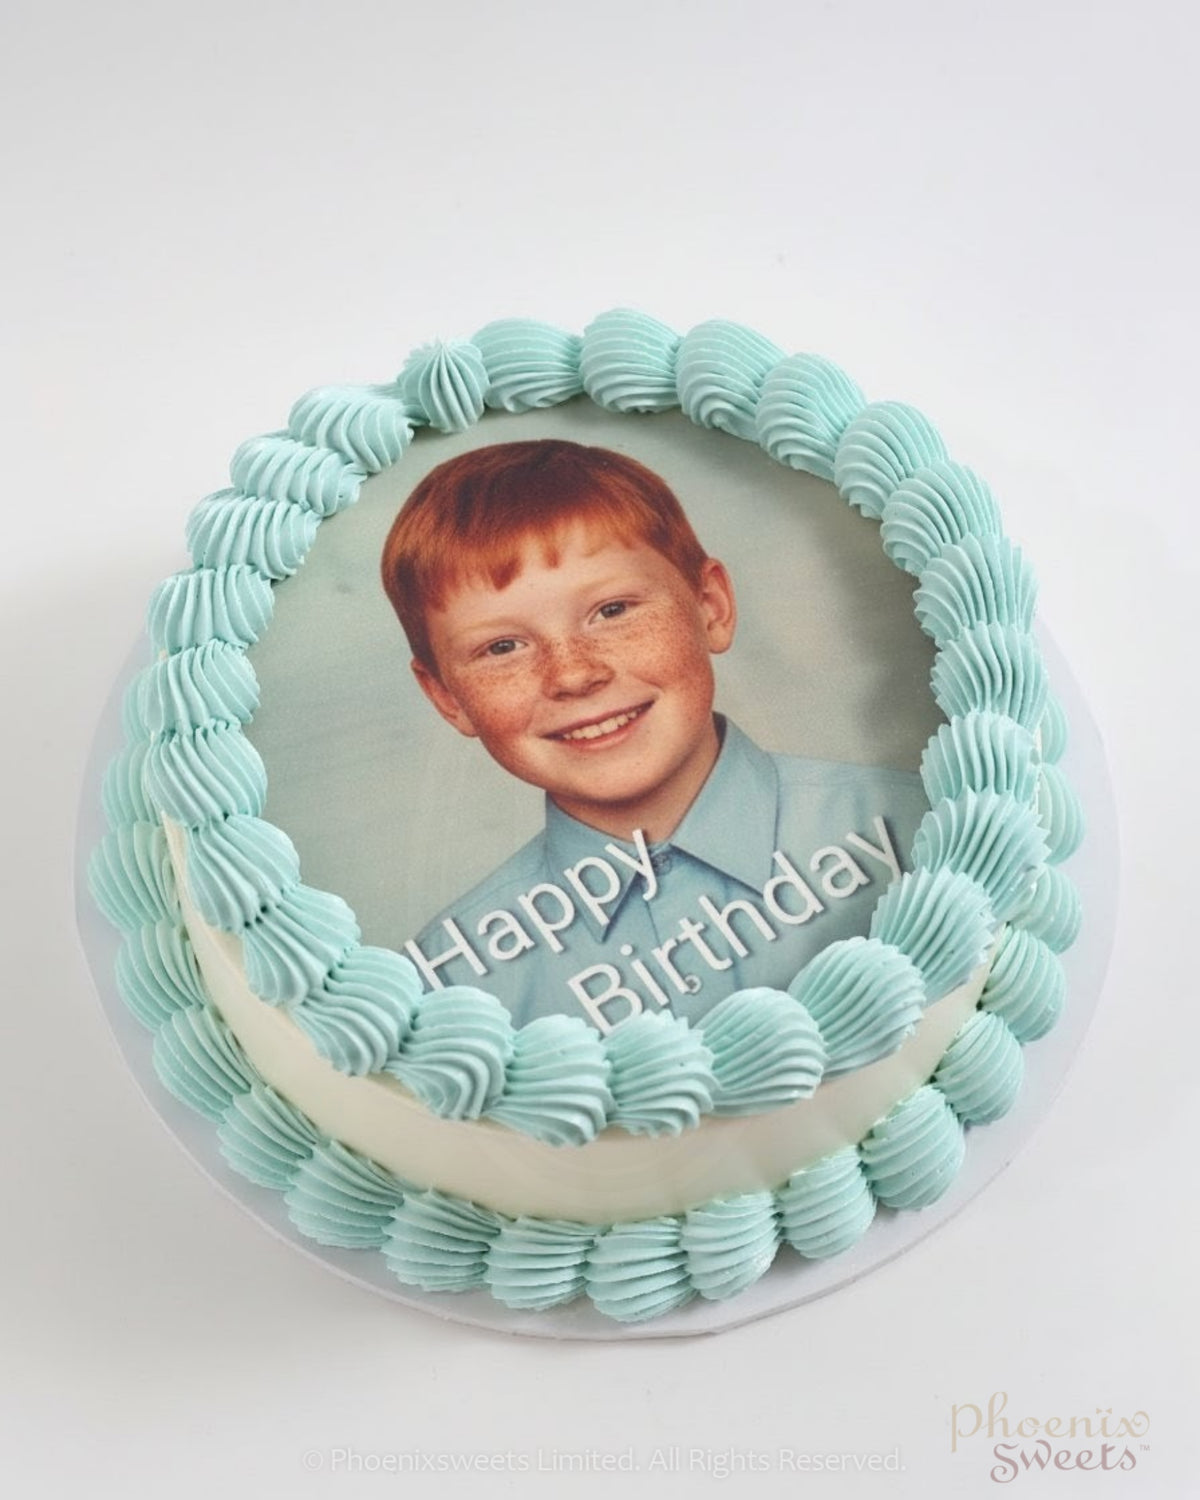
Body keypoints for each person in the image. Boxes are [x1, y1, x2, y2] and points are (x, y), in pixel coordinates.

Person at [381, 439, 928, 1032]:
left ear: (710, 607)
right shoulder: (448, 989)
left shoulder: (919, 829)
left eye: (612, 611)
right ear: (445, 696)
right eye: (502, 647)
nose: (573, 674)